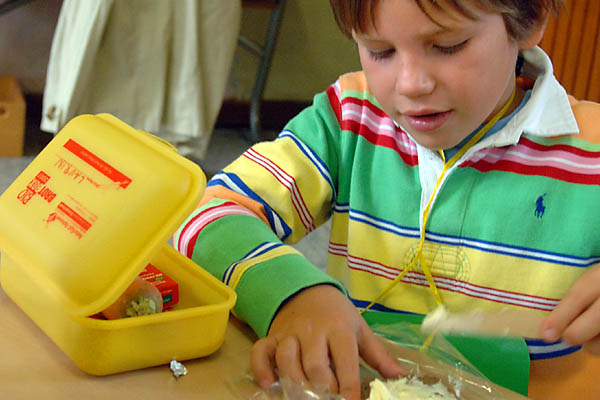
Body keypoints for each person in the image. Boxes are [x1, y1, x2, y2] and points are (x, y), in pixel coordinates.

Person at [174, 1, 600, 399]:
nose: (412, 84)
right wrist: (292, 296)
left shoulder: (591, 151)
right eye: (380, 51)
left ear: (529, 19)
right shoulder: (350, 120)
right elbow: (205, 216)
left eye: (448, 46)